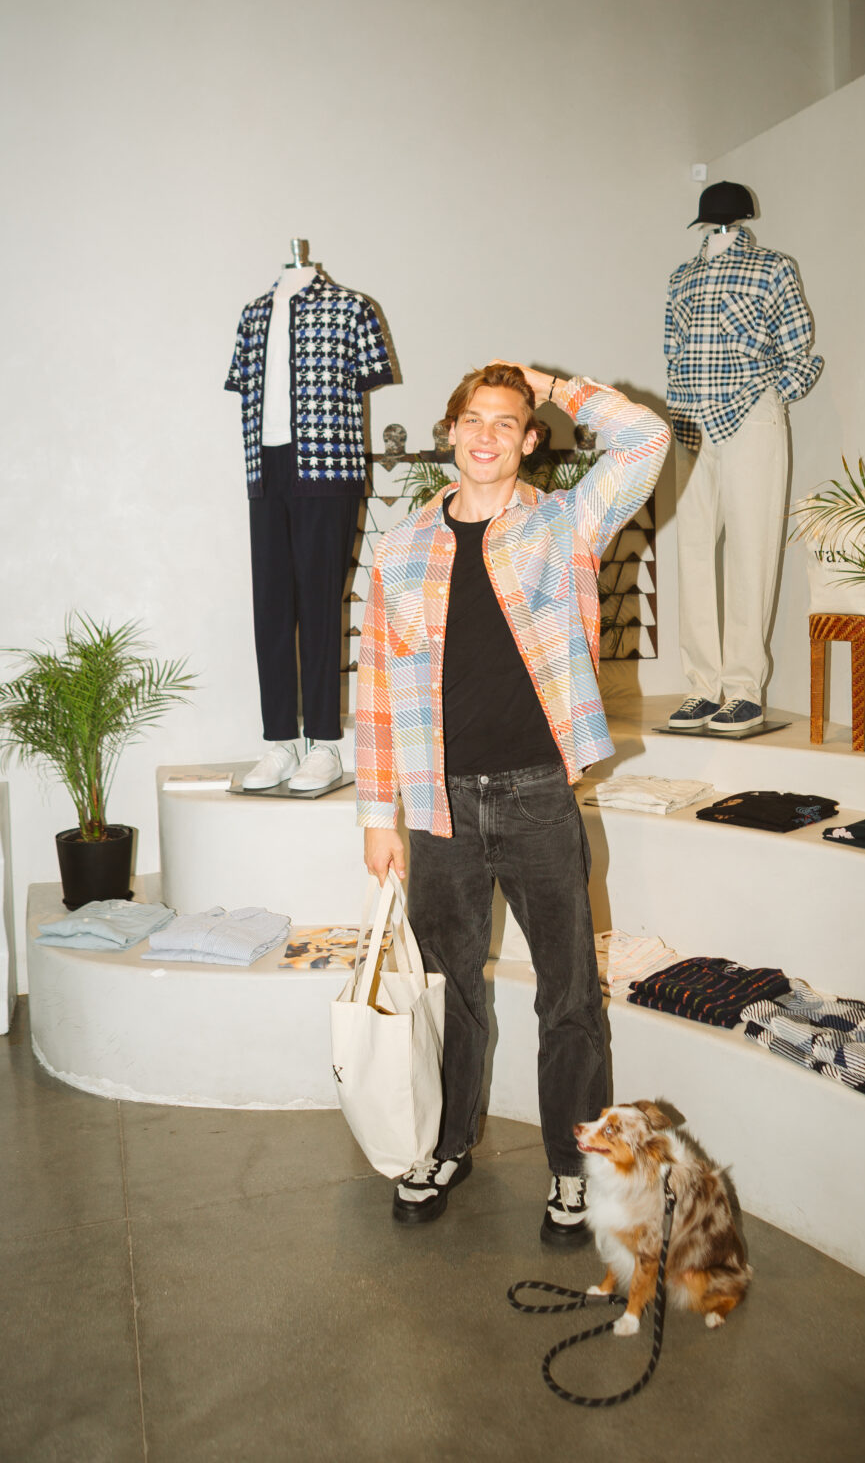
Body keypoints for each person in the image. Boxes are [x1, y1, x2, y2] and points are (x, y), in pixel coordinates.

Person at [355, 362, 669, 1242]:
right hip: (440, 805)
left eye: (506, 421)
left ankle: (574, 1167)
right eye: (473, 420)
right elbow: (375, 692)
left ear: (530, 440)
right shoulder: (400, 550)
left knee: (569, 997)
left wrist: (554, 384)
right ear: (451, 432)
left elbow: (647, 441)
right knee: (449, 991)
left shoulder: (565, 523)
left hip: (537, 796)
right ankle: (444, 1145)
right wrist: (378, 815)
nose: (486, 435)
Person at [665, 181, 822, 733]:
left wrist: (771, 395)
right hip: (691, 421)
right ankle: (701, 687)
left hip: (750, 415)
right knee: (692, 552)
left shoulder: (773, 267)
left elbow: (799, 349)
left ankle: (744, 690)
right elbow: (673, 352)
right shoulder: (681, 277)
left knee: (751, 550)